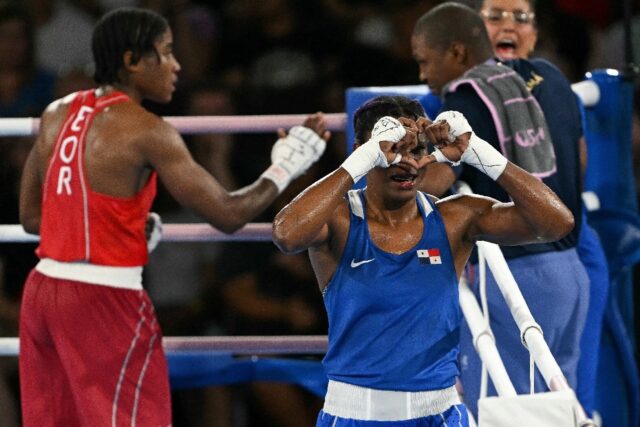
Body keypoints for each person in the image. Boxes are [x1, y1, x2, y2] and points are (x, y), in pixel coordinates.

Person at [17, 7, 329, 426]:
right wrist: (287, 166)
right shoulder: (147, 130)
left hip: (42, 293)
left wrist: (117, 229)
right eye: (165, 53)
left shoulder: (56, 113)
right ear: (131, 61)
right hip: (102, 301)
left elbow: (32, 218)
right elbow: (229, 215)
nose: (177, 64)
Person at [272, 95, 574, 426]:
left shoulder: (455, 218)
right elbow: (287, 234)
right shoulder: (340, 220)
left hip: (440, 414)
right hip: (352, 415)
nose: (407, 163)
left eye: (415, 150)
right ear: (365, 149)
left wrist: (478, 152)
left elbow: (556, 223)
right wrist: (364, 158)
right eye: (393, 149)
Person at [411, 2, 590, 418]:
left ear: (456, 53)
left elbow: (432, 182)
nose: (423, 75)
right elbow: (580, 159)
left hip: (518, 270)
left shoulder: (466, 97)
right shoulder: (555, 78)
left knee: (505, 410)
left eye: (425, 61)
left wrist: (386, 161)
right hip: (571, 269)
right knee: (559, 409)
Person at [473, 0, 610, 417]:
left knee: (517, 400)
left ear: (534, 32)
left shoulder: (469, 89)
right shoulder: (554, 79)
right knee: (563, 396)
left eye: (520, 17)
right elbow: (580, 158)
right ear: (472, 27)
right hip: (571, 255)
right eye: (495, 16)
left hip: (534, 256)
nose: (507, 26)